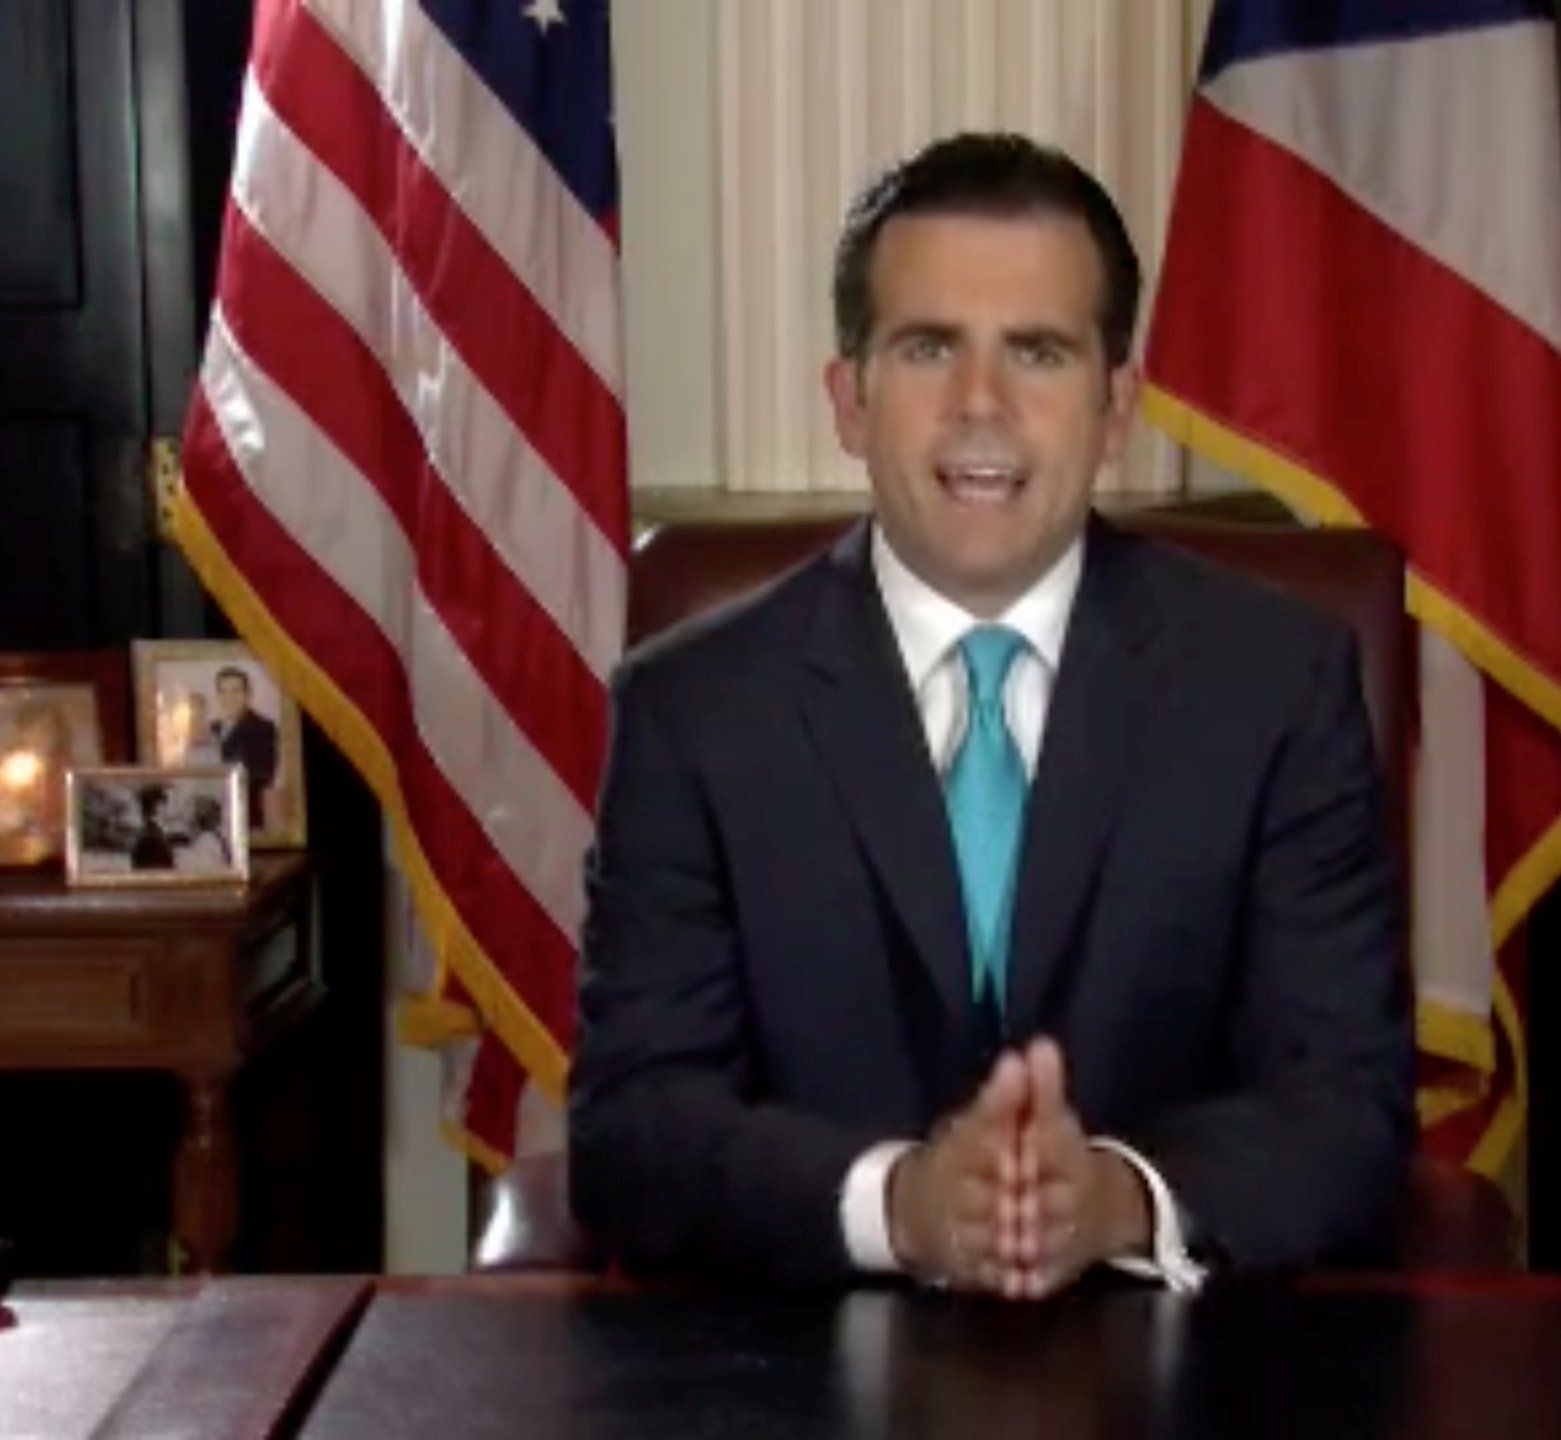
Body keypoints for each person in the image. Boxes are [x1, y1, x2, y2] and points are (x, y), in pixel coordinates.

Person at [568, 133, 1412, 1296]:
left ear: (1116, 406)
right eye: (927, 349)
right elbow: (634, 1135)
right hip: (796, 1376)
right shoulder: (694, 711)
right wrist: (899, 1205)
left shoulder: (1275, 686)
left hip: (1180, 1371)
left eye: (1039, 352)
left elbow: (1344, 1106)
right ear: (849, 399)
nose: (981, 405)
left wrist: (1117, 1197)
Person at [210, 667, 280, 830]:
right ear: (218, 696)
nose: (230, 698)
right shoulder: (212, 728)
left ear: (247, 695)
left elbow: (263, 775)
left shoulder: (262, 728)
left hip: (246, 820)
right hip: (215, 822)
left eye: (236, 691)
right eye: (224, 692)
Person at [129, 785, 175, 871]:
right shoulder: (152, 840)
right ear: (157, 809)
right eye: (165, 805)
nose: (169, 812)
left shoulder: (145, 836)